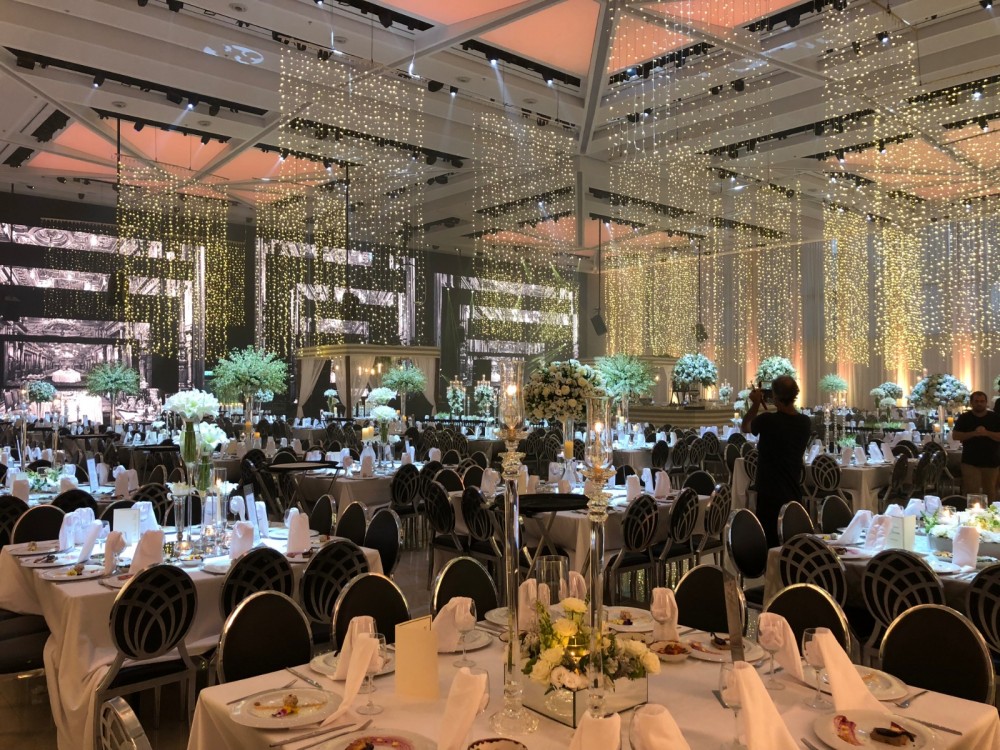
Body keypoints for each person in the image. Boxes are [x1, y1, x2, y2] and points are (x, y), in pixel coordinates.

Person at [741, 375, 812, 547]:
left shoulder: (767, 420)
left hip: (769, 492)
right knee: (791, 541)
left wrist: (755, 404)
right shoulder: (805, 422)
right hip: (792, 488)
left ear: (775, 397)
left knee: (770, 543)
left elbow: (745, 426)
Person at [953, 391, 1000, 501]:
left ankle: (991, 512)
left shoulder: (995, 417)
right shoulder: (964, 417)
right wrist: (974, 433)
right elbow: (955, 435)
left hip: (992, 462)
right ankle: (972, 511)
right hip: (970, 462)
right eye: (976, 401)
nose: (979, 403)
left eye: (982, 401)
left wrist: (986, 433)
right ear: (971, 403)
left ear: (986, 403)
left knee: (991, 492)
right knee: (971, 492)